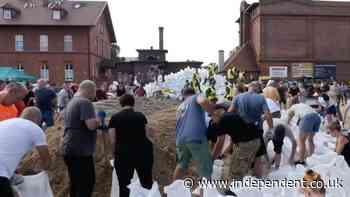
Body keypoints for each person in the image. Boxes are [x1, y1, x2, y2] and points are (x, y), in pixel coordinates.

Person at [108, 94, 154, 197]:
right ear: (133, 103)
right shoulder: (141, 116)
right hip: (143, 153)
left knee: (124, 186)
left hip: (123, 154)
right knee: (146, 183)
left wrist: (114, 154)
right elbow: (148, 135)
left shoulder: (115, 118)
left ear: (121, 104)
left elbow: (113, 140)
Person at [62, 80, 102, 197]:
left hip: (69, 146)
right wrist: (99, 119)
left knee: (75, 184)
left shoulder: (72, 102)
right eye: (94, 92)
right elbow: (90, 125)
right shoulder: (85, 102)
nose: (94, 95)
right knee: (86, 184)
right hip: (81, 149)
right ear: (90, 90)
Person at [210, 105, 261, 196]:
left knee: (236, 172)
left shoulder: (222, 121)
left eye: (211, 116)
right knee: (240, 167)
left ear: (216, 113)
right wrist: (226, 152)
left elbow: (220, 142)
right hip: (254, 140)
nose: (211, 119)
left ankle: (233, 193)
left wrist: (212, 159)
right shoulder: (230, 115)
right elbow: (234, 135)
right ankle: (238, 190)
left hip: (247, 143)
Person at [0, 107, 51, 197]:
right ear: (36, 119)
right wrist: (42, 173)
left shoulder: (5, 123)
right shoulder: (35, 129)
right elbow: (46, 160)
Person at [228, 81, 273, 177]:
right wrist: (271, 127)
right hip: (256, 130)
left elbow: (229, 112)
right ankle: (257, 179)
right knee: (257, 156)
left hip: (240, 130)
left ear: (249, 87)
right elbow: (268, 115)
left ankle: (239, 179)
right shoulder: (261, 98)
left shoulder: (238, 97)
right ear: (258, 89)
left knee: (240, 154)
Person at [173, 88, 213, 181]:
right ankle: (206, 193)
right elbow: (203, 101)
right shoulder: (196, 96)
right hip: (196, 137)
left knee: (182, 164)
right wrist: (212, 113)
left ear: (183, 95)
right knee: (205, 170)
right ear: (193, 93)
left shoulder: (180, 107)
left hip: (180, 140)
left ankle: (173, 191)